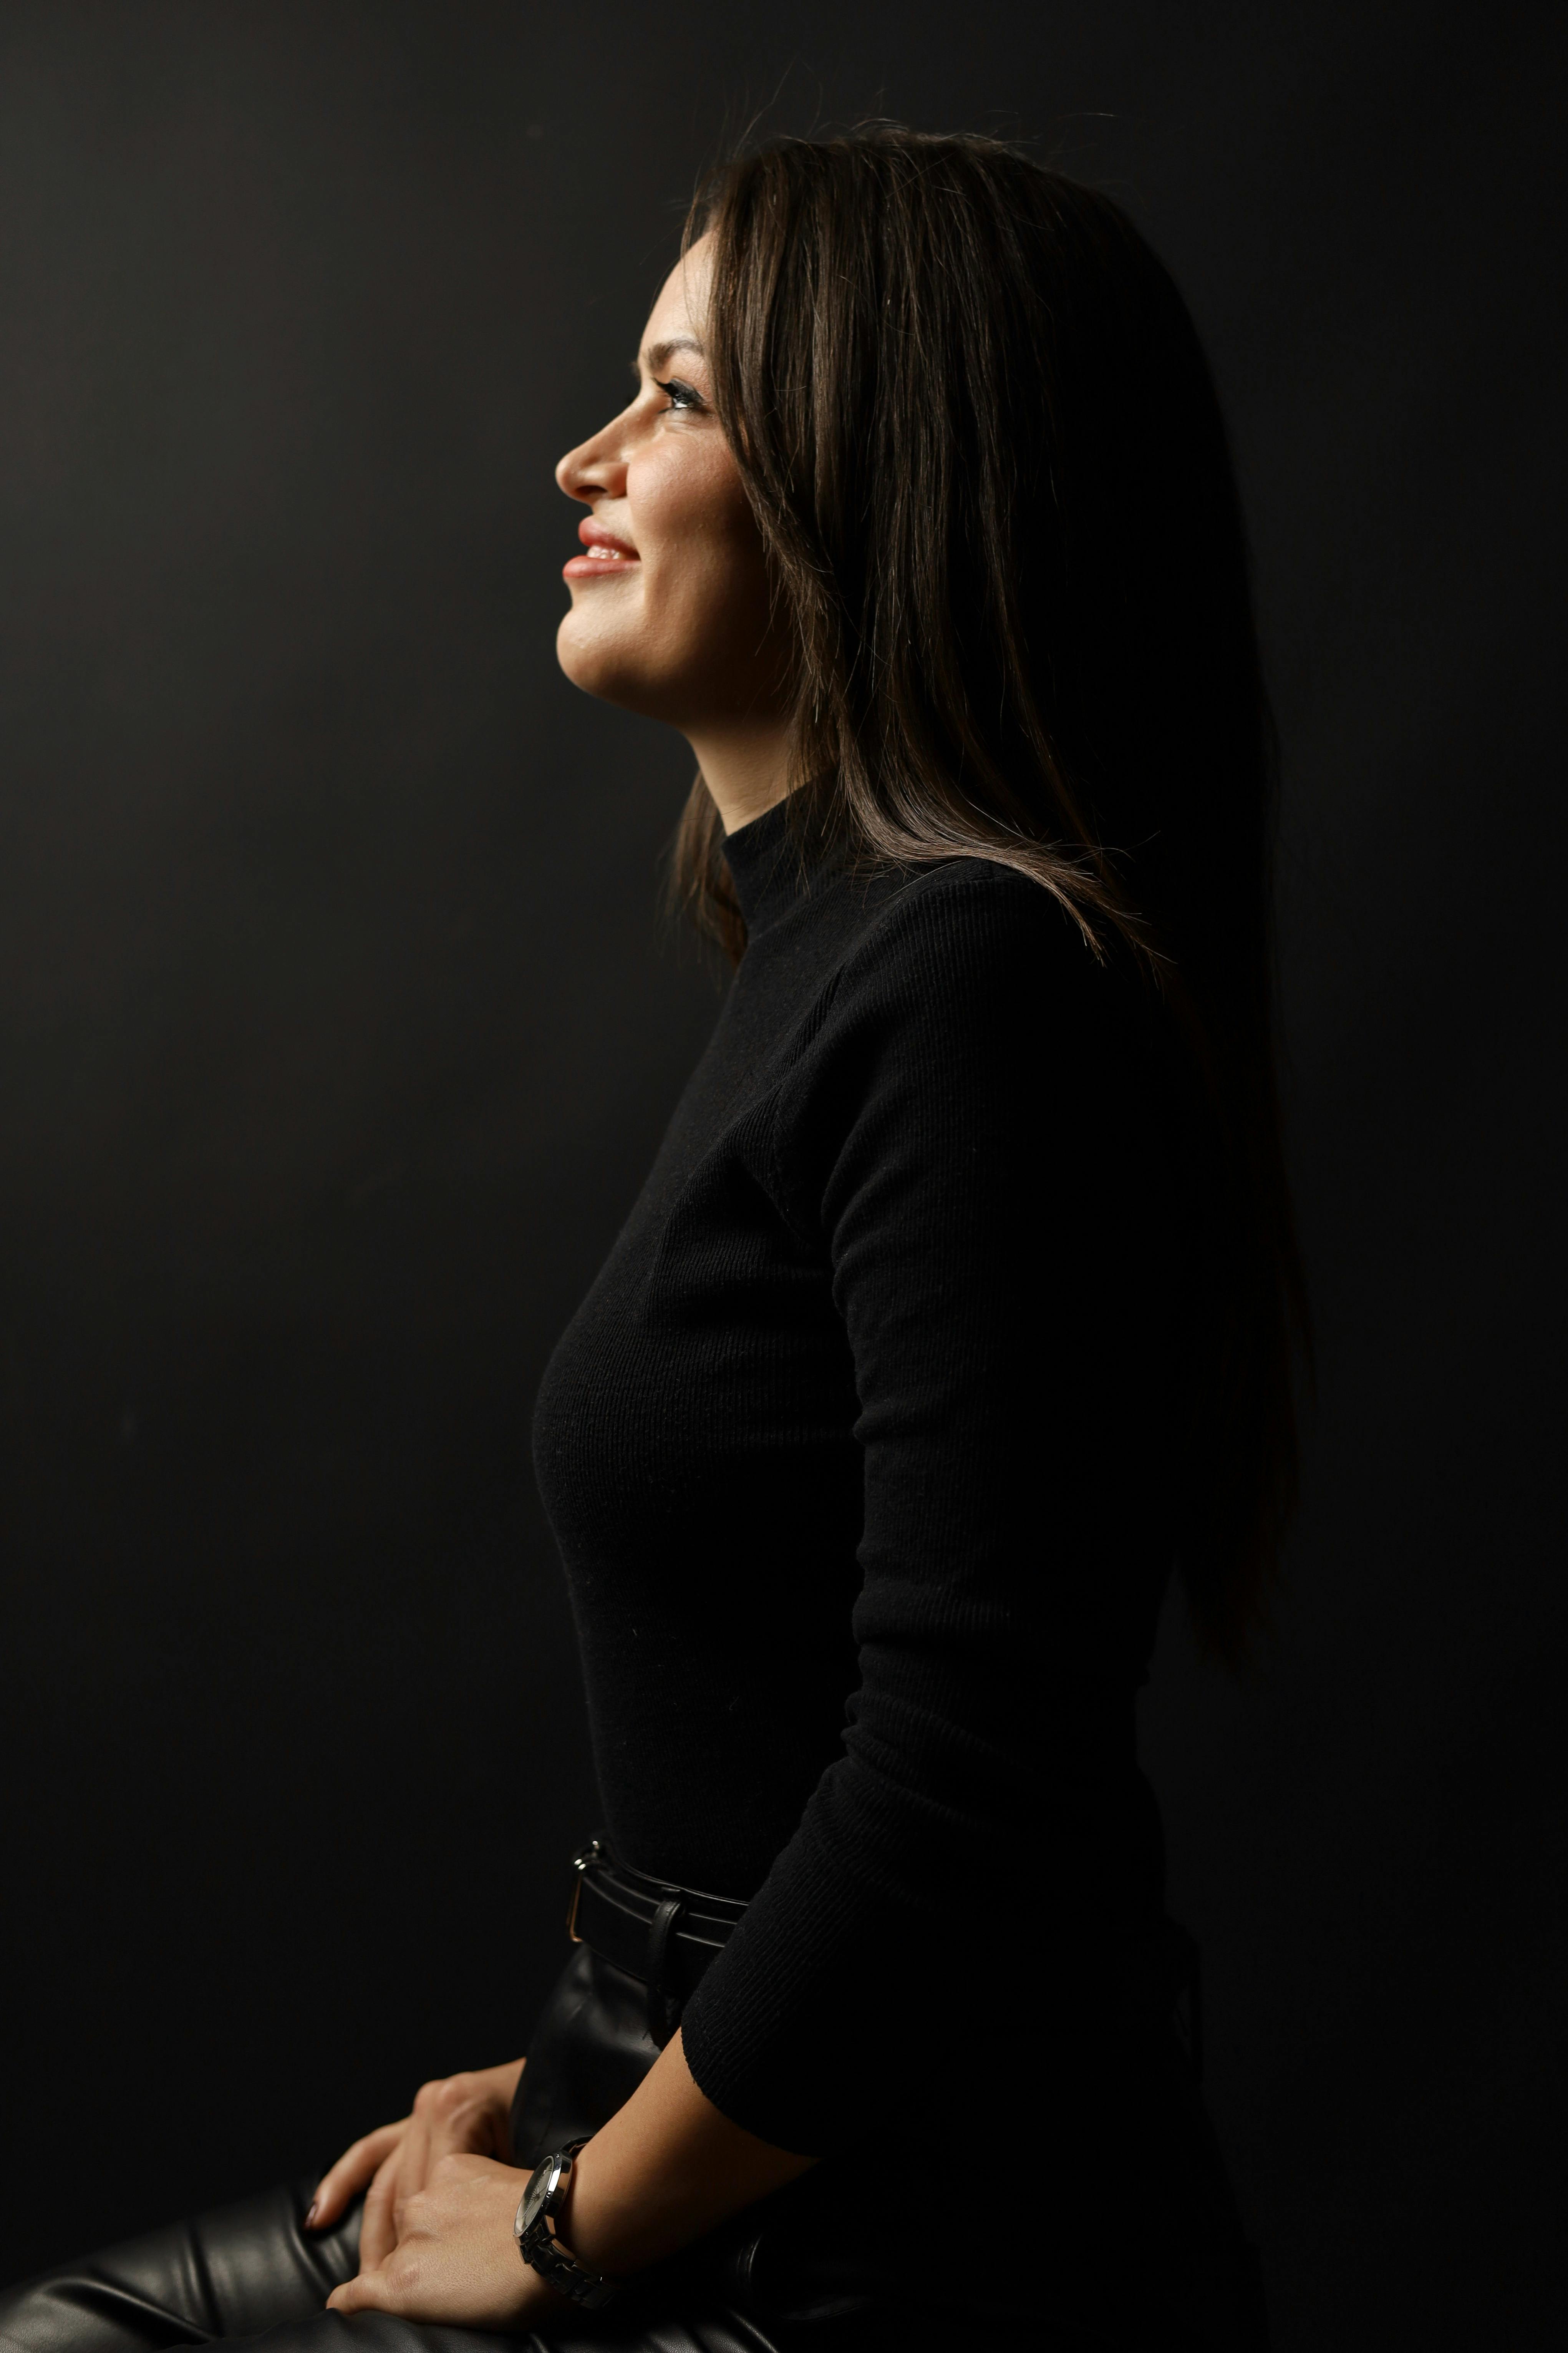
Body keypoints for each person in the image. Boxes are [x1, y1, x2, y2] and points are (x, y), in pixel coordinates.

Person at [0, 128, 1302, 2353]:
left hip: (904, 2243)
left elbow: (968, 1791)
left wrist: (570, 2223)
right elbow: (771, 1759)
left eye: (682, 396)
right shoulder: (829, 960)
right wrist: (588, 2074)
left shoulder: (974, 986)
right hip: (733, 2103)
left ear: (885, 465)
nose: (584, 454)